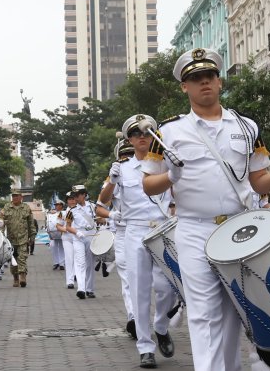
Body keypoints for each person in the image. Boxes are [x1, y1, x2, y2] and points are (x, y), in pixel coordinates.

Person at [140, 48, 270, 371]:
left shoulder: (246, 126)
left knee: (234, 311)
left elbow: (257, 182)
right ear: (184, 87)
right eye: (195, 79)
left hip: (239, 228)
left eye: (209, 77)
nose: (204, 83)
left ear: (219, 81)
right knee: (203, 312)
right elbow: (148, 184)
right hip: (194, 229)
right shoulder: (168, 132)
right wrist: (171, 176)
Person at [104, 114, 177, 369]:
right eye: (136, 134)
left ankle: (161, 325)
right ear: (129, 140)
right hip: (135, 231)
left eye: (146, 133)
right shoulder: (122, 168)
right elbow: (101, 201)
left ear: (155, 136)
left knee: (169, 287)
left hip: (163, 229)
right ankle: (145, 347)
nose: (142, 138)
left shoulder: (167, 164)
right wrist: (111, 181)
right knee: (139, 291)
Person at [97, 138, 136, 333]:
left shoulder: (149, 171)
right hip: (123, 232)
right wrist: (112, 214)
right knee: (127, 276)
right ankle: (133, 317)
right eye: (123, 156)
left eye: (131, 155)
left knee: (159, 281)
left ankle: (160, 320)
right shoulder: (111, 178)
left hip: (148, 230)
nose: (127, 159)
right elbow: (100, 206)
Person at [68, 184, 97, 299]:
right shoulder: (72, 210)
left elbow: (100, 218)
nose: (75, 198)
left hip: (91, 236)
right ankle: (81, 289)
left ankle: (89, 289)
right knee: (80, 263)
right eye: (74, 195)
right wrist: (76, 232)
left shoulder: (93, 207)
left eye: (77, 195)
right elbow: (68, 227)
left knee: (90, 263)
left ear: (84, 195)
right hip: (78, 237)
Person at [2, 188, 36, 287]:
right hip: (10, 239)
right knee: (13, 260)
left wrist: (32, 236)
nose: (15, 198)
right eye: (13, 196)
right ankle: (15, 278)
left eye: (17, 196)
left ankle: (22, 276)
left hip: (23, 238)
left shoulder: (26, 208)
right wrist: (1, 236)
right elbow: (1, 222)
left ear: (21, 197)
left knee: (22, 258)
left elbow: (31, 223)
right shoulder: (7, 207)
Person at [57, 191, 79, 289]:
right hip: (67, 238)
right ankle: (70, 281)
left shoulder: (81, 211)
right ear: (67, 201)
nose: (72, 201)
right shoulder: (63, 213)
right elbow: (58, 226)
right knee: (69, 258)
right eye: (70, 199)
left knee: (78, 258)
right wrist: (65, 229)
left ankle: (77, 275)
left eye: (74, 199)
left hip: (79, 237)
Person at [46, 199, 65, 270]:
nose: (56, 206)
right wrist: (49, 232)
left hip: (62, 232)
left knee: (61, 248)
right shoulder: (51, 214)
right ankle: (56, 262)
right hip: (53, 233)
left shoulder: (64, 212)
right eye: (56, 205)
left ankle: (62, 263)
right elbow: (48, 223)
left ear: (61, 206)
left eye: (58, 205)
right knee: (53, 246)